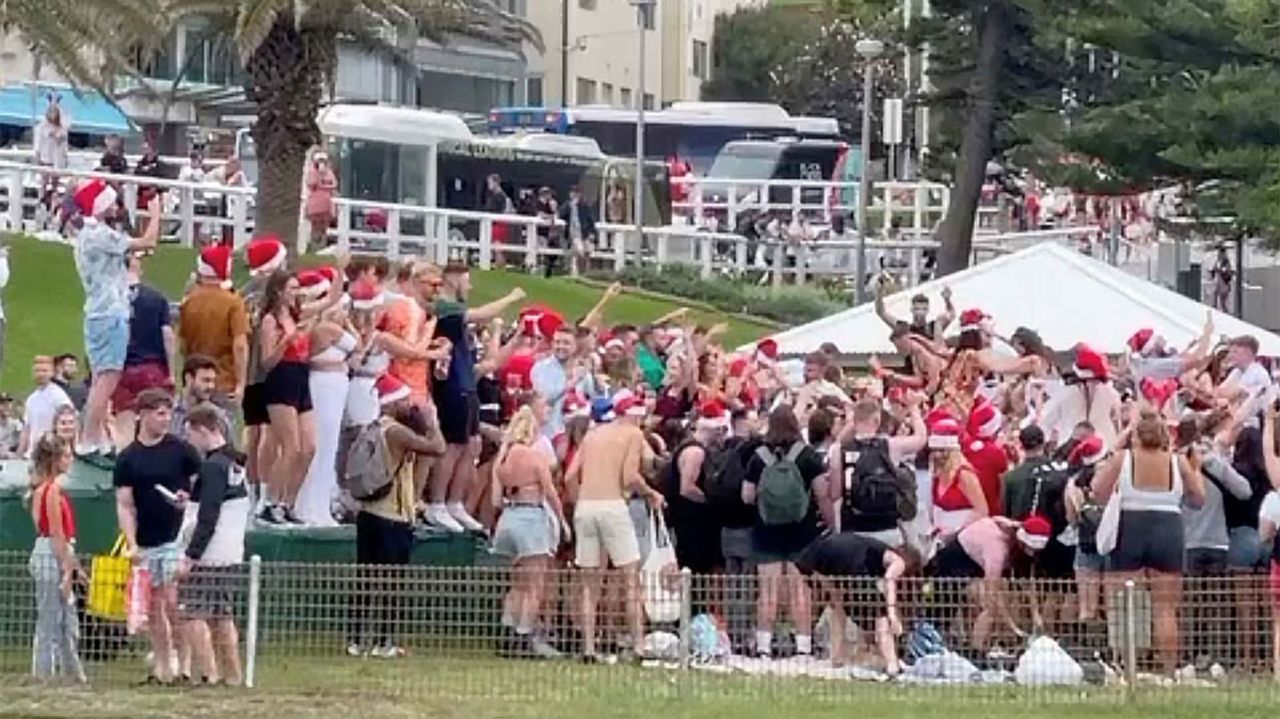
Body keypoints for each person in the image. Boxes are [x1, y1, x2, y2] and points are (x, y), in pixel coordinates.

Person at [1091, 409, 1205, 673]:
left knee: (1125, 602)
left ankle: (1127, 666)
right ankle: (1168, 670)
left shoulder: (1123, 459)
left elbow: (1097, 490)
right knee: (1165, 609)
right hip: (1168, 529)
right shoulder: (1178, 462)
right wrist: (1195, 471)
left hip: (1131, 527)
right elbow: (1199, 499)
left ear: (1136, 436)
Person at [346, 375, 446, 658]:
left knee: (365, 578)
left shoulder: (374, 428)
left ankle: (355, 639)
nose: (409, 405)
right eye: (404, 400)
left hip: (369, 513)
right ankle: (384, 641)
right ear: (391, 404)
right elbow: (437, 448)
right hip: (392, 515)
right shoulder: (396, 433)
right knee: (392, 582)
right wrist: (431, 420)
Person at [563, 391, 664, 661]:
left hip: (586, 506)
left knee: (589, 582)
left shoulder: (592, 436)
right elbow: (630, 476)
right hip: (613, 505)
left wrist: (578, 503)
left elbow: (570, 475)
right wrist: (651, 493)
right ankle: (639, 645)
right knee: (630, 577)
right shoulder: (631, 435)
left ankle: (588, 648)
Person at [427, 262, 525, 533]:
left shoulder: (456, 314)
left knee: (472, 446)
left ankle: (455, 503)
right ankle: (438, 502)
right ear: (453, 280)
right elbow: (480, 314)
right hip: (452, 384)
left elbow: (487, 362)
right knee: (454, 445)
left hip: (467, 382)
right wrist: (511, 298)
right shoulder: (446, 308)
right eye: (466, 281)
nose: (469, 287)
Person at [114, 388, 203, 684]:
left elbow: (201, 488)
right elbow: (125, 505)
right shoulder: (128, 458)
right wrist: (132, 542)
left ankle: (185, 662)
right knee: (152, 609)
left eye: (168, 413)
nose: (165, 419)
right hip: (146, 540)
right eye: (159, 413)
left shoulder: (181, 450)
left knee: (170, 601)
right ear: (142, 415)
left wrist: (185, 498)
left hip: (174, 538)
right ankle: (163, 665)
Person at [72, 179, 162, 456]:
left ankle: (95, 436)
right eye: (109, 201)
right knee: (108, 378)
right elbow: (148, 241)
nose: (115, 206)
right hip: (110, 314)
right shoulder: (100, 234)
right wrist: (156, 213)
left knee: (101, 377)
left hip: (98, 313)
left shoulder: (89, 235)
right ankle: (88, 438)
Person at [741, 405, 828, 659]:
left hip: (766, 531)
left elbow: (746, 496)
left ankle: (764, 646)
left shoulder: (759, 456)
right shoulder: (808, 456)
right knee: (800, 589)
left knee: (768, 590)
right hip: (802, 531)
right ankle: (803, 646)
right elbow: (822, 492)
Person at [178, 404, 250, 686]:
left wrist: (191, 555)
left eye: (191, 435)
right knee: (223, 614)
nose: (190, 442)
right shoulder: (235, 464)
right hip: (232, 551)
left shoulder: (211, 467)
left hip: (210, 553)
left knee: (193, 613)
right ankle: (233, 675)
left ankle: (209, 673)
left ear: (205, 431)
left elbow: (209, 516)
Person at [490, 405, 569, 658]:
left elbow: (494, 501)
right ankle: (523, 637)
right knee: (535, 584)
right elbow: (551, 493)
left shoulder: (501, 461)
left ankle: (507, 632)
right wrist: (562, 522)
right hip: (531, 518)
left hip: (508, 518)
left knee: (517, 584)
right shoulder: (535, 458)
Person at [796, 532, 912, 674]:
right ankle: (892, 663)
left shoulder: (874, 548)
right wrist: (892, 614)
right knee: (880, 616)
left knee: (837, 603)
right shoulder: (899, 561)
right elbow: (889, 580)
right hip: (849, 563)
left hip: (814, 555)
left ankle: (837, 656)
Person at [829, 396, 927, 548]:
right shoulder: (890, 446)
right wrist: (914, 408)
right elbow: (921, 438)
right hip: (887, 528)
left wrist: (848, 427)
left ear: (854, 422)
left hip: (853, 529)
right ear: (877, 421)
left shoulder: (839, 451)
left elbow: (834, 494)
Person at [27, 433, 86, 683]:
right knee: (50, 617)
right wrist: (66, 571)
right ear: (54, 459)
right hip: (51, 553)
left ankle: (72, 673)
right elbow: (56, 533)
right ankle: (44, 674)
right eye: (66, 455)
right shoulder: (49, 491)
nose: (70, 459)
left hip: (60, 552)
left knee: (67, 618)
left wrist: (74, 568)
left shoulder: (54, 490)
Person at [296, 299, 358, 527]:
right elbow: (358, 346)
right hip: (327, 387)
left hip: (330, 385)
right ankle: (312, 506)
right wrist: (350, 324)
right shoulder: (327, 329)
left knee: (327, 446)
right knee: (325, 445)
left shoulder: (318, 328)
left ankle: (317, 505)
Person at [113, 251, 178, 449]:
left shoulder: (110, 297)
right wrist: (172, 372)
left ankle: (123, 470)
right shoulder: (156, 298)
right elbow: (167, 335)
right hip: (152, 369)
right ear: (138, 268)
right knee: (155, 426)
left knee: (123, 426)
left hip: (120, 369)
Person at [179, 245, 251, 411]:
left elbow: (183, 344)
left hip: (196, 378)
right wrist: (241, 383)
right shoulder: (233, 302)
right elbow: (240, 345)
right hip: (224, 380)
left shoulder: (189, 301)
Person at [531, 324, 596, 440]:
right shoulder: (541, 368)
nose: (560, 346)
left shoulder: (582, 371)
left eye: (566, 343)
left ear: (575, 346)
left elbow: (591, 399)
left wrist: (598, 384)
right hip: (549, 434)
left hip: (576, 437)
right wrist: (572, 382)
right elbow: (545, 398)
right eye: (557, 342)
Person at [170, 355, 234, 443]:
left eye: (213, 381)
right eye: (206, 380)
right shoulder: (169, 412)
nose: (211, 386)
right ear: (189, 378)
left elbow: (227, 451)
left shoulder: (218, 417)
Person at [18, 357, 72, 459]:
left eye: (45, 371)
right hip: (32, 453)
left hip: (51, 453)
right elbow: (27, 428)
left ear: (52, 373)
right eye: (38, 371)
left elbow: (70, 424)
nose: (41, 374)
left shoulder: (59, 396)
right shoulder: (31, 399)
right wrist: (19, 453)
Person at [558, 185, 598, 272]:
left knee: (589, 251)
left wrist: (592, 234)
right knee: (580, 251)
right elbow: (560, 215)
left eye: (577, 193)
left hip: (584, 234)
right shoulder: (567, 206)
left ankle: (585, 270)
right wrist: (571, 205)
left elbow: (591, 221)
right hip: (574, 235)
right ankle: (580, 271)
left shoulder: (584, 207)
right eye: (573, 193)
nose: (575, 195)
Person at [304, 149, 338, 250]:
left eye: (323, 161)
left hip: (326, 202)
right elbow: (311, 184)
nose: (321, 163)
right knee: (315, 225)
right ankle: (312, 245)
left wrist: (323, 185)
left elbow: (334, 184)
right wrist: (319, 175)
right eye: (319, 161)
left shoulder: (329, 172)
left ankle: (321, 246)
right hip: (315, 202)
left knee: (324, 225)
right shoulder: (312, 172)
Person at [0, 393, 22, 458]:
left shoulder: (16, 424)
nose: (6, 406)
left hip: (12, 461)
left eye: (8, 403)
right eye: (2, 404)